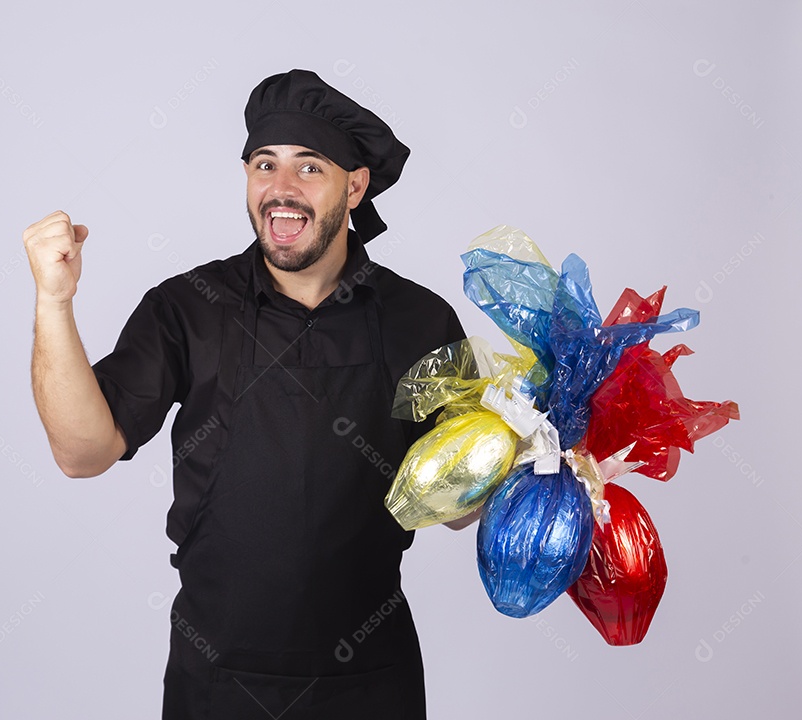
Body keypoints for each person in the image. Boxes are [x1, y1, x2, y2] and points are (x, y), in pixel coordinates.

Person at [25, 68, 472, 719]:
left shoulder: (421, 320)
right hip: (219, 685)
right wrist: (54, 301)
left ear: (354, 186)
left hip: (373, 687)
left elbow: (458, 508)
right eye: (264, 164)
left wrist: (540, 446)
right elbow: (82, 453)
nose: (280, 190)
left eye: (309, 168)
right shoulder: (188, 309)